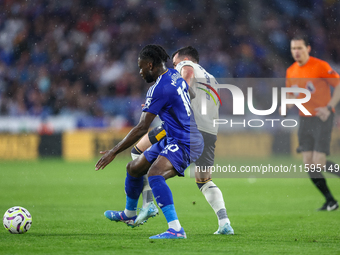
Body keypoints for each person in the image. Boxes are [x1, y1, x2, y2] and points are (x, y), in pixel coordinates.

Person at [95, 44, 204, 239]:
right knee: (133, 168)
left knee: (154, 174)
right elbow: (189, 92)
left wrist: (114, 151)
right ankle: (129, 214)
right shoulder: (173, 74)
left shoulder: (158, 88)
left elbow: (141, 128)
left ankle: (176, 229)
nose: (140, 72)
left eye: (141, 67)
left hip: (185, 141)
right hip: (175, 136)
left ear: (151, 65)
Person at [131, 46, 234, 235]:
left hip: (187, 128)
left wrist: (167, 98)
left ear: (186, 59)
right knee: (204, 181)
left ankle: (148, 204)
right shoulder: (213, 79)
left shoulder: (186, 65)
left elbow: (185, 78)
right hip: (209, 133)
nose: (173, 67)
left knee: (138, 151)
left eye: (175, 63)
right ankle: (224, 223)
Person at [286, 35, 340, 211]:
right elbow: (292, 95)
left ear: (308, 49)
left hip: (322, 116)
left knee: (319, 162)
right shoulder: (291, 71)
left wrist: (329, 106)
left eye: (300, 48)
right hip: (305, 119)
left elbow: (338, 84)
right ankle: (330, 201)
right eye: (293, 48)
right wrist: (286, 104)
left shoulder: (320, 66)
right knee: (309, 163)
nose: (296, 52)